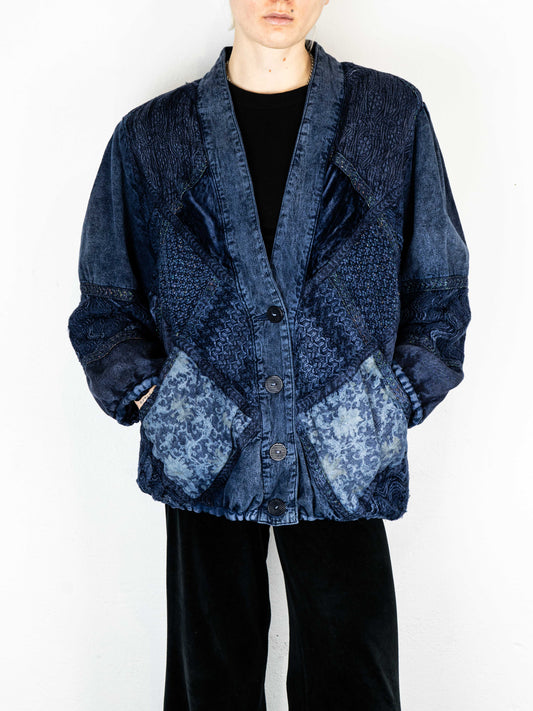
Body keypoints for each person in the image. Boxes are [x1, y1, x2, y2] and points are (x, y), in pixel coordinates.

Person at [67, 1, 471, 709]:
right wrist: (164, 403)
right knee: (210, 686)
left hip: (343, 454)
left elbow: (438, 290)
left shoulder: (390, 118)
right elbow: (106, 305)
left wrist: (386, 402)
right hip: (205, 455)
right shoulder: (151, 137)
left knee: (354, 684)